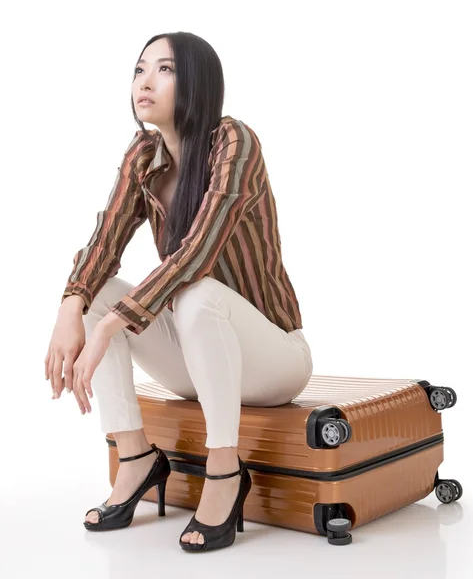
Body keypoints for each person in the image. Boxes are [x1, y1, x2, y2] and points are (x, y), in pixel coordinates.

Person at [44, 31, 313, 552]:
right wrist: (70, 307)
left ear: (197, 82)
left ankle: (225, 469)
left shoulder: (235, 141)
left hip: (274, 361)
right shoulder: (144, 156)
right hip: (200, 359)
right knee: (99, 291)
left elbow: (197, 252)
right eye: (139, 69)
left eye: (164, 70)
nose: (144, 81)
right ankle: (137, 456)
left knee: (193, 291)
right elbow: (103, 243)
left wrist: (109, 326)